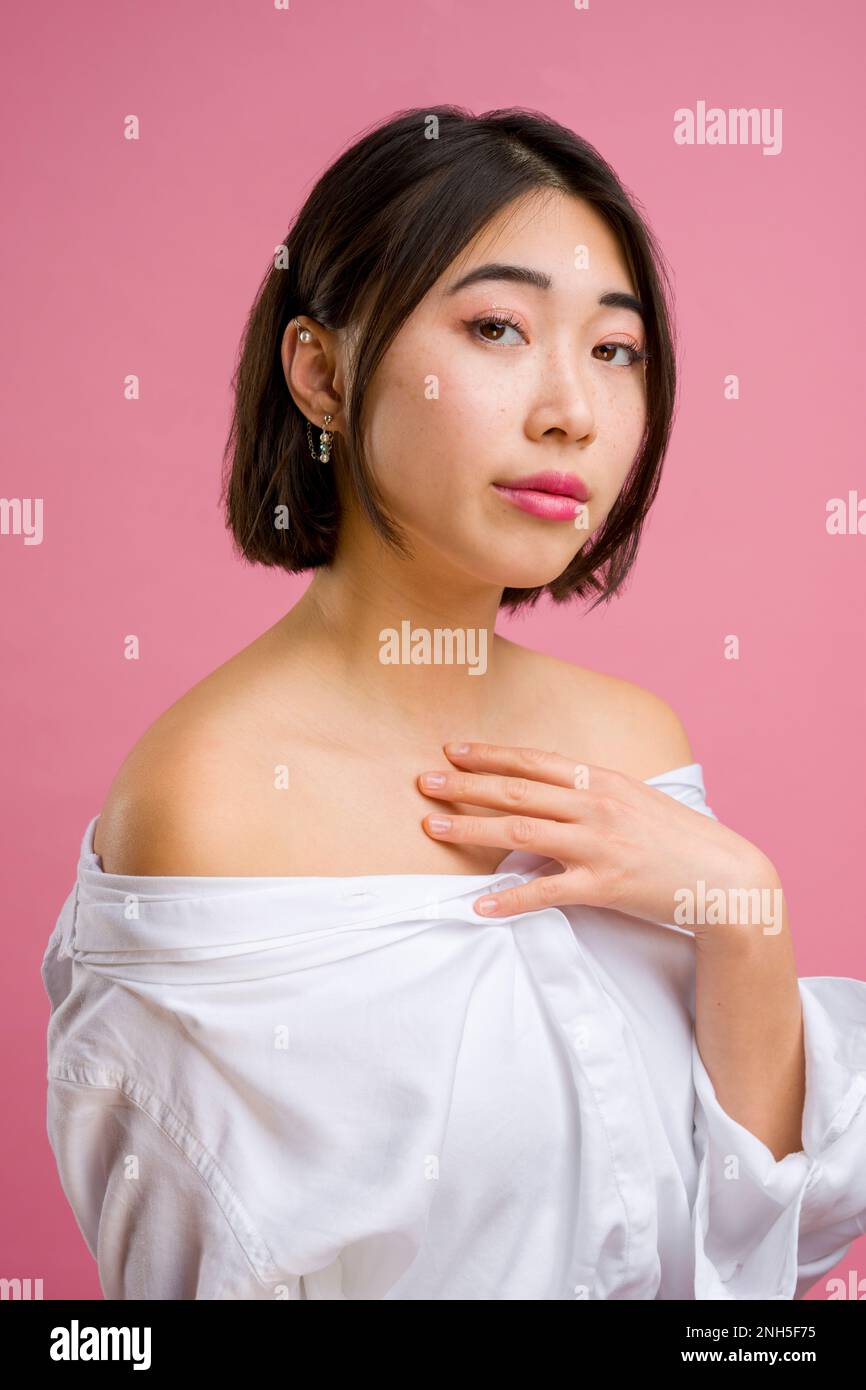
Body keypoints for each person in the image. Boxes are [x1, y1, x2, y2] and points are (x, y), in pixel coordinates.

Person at [42, 105, 866, 1300]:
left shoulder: (633, 741)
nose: (569, 411)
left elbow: (753, 1256)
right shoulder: (207, 804)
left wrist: (744, 916)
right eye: (495, 327)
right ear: (321, 373)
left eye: (612, 349)